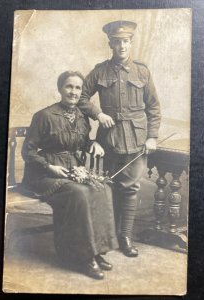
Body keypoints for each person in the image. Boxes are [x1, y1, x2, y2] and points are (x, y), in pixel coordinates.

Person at [21, 70, 118, 280]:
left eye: (78, 88)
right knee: (80, 194)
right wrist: (49, 167)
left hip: (72, 169)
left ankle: (97, 250)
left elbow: (83, 142)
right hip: (44, 175)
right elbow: (27, 152)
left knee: (103, 189)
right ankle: (82, 258)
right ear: (60, 88)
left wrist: (93, 144)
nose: (73, 92)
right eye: (69, 86)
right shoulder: (44, 116)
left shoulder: (83, 117)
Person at [78, 20, 161, 257]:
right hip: (109, 140)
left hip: (137, 140)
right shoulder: (100, 71)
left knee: (131, 188)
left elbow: (154, 107)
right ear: (110, 44)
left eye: (126, 41)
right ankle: (110, 234)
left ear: (131, 43)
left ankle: (125, 237)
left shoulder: (142, 71)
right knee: (110, 185)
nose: (122, 46)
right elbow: (82, 98)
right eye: (117, 42)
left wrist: (152, 136)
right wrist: (98, 113)